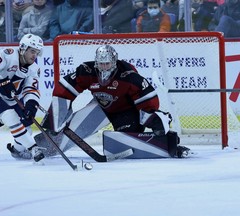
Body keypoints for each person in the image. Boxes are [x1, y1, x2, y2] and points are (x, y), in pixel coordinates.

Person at [41, 45, 190, 158]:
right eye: (101, 63)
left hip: (126, 111)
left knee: (123, 143)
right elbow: (64, 91)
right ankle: (43, 148)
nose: (104, 67)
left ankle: (167, 140)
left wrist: (153, 120)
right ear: (96, 62)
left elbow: (147, 99)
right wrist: (54, 121)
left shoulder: (128, 75)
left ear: (114, 61)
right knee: (73, 131)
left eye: (107, 63)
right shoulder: (87, 70)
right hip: (100, 109)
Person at [0, 34, 45, 162]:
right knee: (10, 116)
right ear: (23, 48)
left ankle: (17, 151)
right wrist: (1, 81)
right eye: (32, 51)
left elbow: (31, 89)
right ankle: (34, 148)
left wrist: (31, 104)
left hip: (10, 99)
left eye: (37, 52)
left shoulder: (34, 69)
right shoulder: (8, 55)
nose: (34, 55)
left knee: (27, 127)